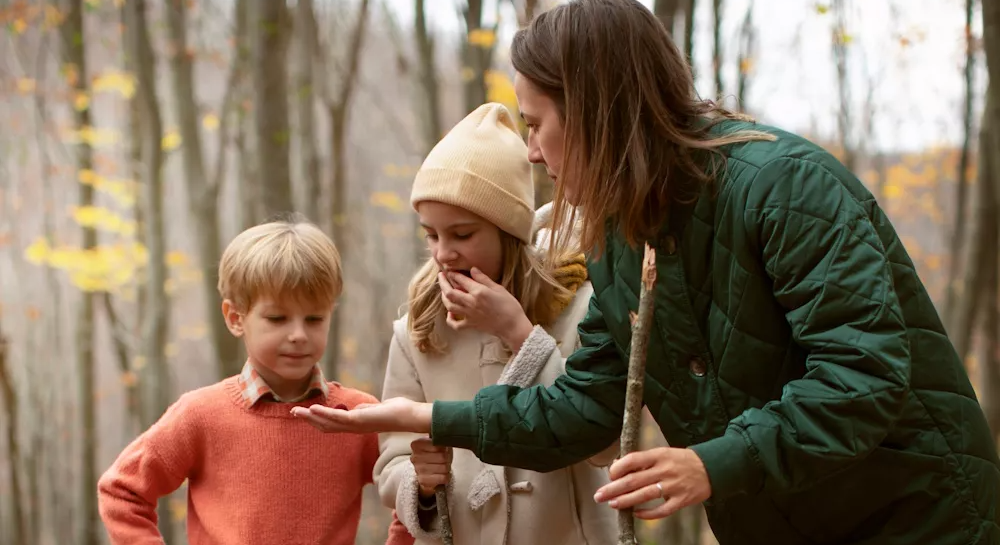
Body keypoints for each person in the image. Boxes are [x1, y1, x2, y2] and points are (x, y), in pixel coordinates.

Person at [290, 1, 1000, 543]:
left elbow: (864, 378)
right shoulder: (624, 240)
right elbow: (584, 405)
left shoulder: (785, 186)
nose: (532, 152)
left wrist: (710, 463)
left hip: (920, 516)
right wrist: (429, 416)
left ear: (598, 112)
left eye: (536, 123)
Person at [296, 103, 617, 543]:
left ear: (510, 233)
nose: (444, 252)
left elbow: (603, 444)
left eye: (462, 234)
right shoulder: (418, 330)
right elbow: (392, 458)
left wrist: (520, 334)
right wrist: (420, 484)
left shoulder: (580, 308)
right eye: (431, 234)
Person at [97, 218, 414, 545]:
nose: (298, 335)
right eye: (277, 318)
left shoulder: (357, 416)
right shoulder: (200, 415)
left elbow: (415, 491)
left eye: (314, 319)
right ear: (236, 318)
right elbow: (122, 490)